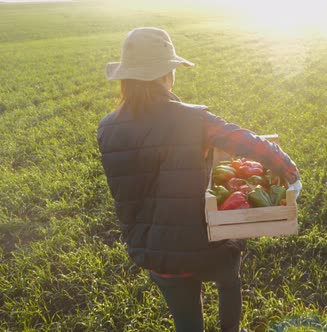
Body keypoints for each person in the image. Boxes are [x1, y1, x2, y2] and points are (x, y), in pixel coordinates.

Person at [96, 27, 301, 332]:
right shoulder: (193, 121)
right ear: (167, 75)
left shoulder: (106, 128)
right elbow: (246, 141)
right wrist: (289, 171)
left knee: (186, 318)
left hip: (151, 251)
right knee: (229, 279)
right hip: (205, 247)